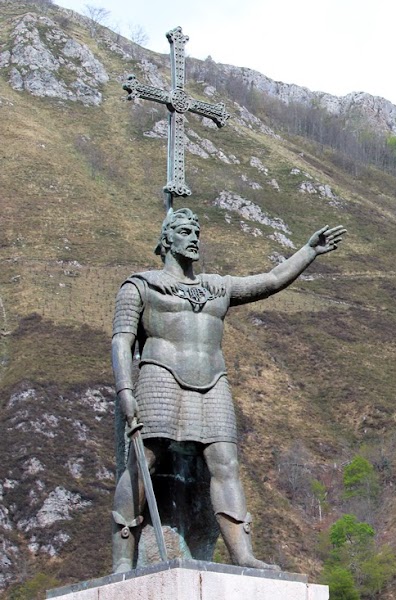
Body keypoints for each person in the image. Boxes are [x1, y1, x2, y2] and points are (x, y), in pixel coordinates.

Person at [110, 208, 345, 573]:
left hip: (212, 381)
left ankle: (243, 554)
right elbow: (122, 341)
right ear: (166, 239)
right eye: (186, 231)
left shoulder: (217, 286)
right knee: (145, 462)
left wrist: (308, 252)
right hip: (160, 378)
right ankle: (122, 560)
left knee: (226, 465)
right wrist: (125, 389)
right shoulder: (141, 285)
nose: (194, 238)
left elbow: (270, 280)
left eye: (197, 232)